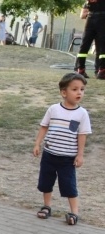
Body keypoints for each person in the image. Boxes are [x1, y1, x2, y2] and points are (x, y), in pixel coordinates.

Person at [32, 73, 91, 225]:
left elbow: (82, 135)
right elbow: (44, 126)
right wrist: (37, 143)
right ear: (64, 92)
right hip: (49, 155)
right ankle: (47, 206)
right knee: (46, 182)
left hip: (67, 158)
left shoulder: (82, 114)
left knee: (69, 185)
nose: (79, 92)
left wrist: (80, 155)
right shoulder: (53, 109)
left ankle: (74, 213)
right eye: (75, 89)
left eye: (82, 89)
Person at [75, 0, 105, 79]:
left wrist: (88, 13)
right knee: (102, 47)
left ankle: (80, 69)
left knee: (84, 45)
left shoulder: (88, 2)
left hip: (90, 20)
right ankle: (101, 71)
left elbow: (82, 15)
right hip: (102, 21)